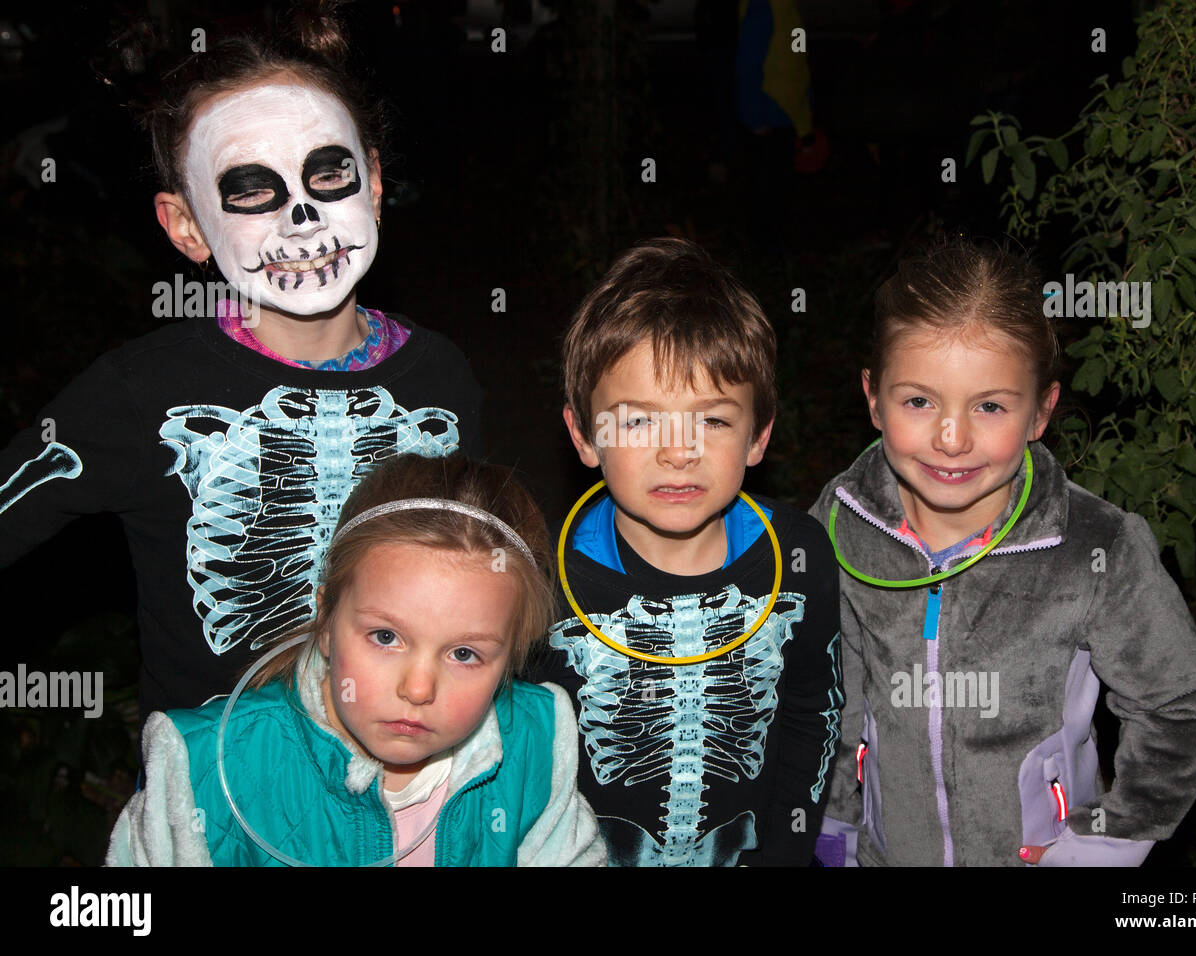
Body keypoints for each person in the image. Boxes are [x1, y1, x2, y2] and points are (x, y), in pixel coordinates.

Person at [0, 4, 482, 726]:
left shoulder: (442, 380)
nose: (301, 220)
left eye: (329, 175)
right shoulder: (140, 395)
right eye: (252, 190)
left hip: (413, 794)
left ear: (374, 185)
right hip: (216, 809)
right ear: (187, 227)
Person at [810, 239, 1196, 866]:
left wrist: (1103, 844)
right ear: (873, 397)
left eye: (991, 406)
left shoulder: (1095, 546)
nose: (952, 439)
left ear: (1041, 411)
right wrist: (835, 825)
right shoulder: (843, 524)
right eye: (919, 401)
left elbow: (1181, 704)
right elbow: (830, 687)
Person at [107, 453, 604, 866]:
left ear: (511, 660)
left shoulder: (538, 745)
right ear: (326, 620)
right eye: (386, 636)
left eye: (464, 653)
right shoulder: (205, 774)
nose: (418, 688)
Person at [533, 237, 843, 866]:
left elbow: (814, 711)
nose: (679, 452)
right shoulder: (542, 580)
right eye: (639, 420)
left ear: (758, 437)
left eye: (713, 420)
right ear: (584, 436)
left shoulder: (802, 556)